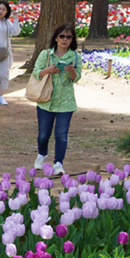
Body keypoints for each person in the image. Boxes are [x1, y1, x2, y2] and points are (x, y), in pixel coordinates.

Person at [33, 24, 82, 176]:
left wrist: (72, 70)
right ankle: (42, 155)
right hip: (46, 100)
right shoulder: (46, 54)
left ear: (72, 40)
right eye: (62, 36)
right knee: (43, 134)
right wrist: (50, 70)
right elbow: (36, 73)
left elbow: (76, 78)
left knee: (61, 134)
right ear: (56, 38)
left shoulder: (75, 56)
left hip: (66, 102)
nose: (65, 40)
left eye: (68, 37)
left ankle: (58, 163)